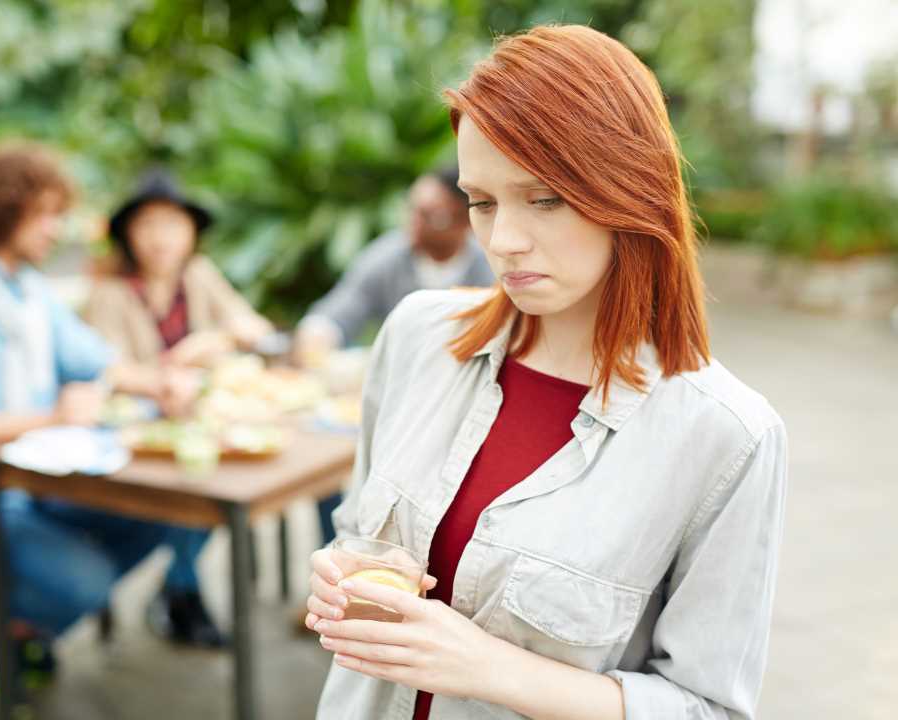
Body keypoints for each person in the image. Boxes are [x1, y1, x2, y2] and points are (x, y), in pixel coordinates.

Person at [305, 25, 787, 720]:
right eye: (481, 202)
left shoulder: (727, 436)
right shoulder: (416, 336)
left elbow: (708, 708)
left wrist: (488, 668)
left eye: (544, 199)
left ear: (630, 190)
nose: (503, 241)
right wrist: (339, 569)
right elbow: (356, 528)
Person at [0, 144, 225, 688]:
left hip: (30, 481)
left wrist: (159, 383)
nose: (56, 229)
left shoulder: (27, 287)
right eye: (45, 214)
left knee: (168, 512)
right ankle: (17, 615)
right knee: (87, 582)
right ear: (3, 208)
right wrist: (50, 419)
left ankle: (24, 617)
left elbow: (95, 360)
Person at [295, 167, 495, 546]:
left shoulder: (489, 269)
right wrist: (318, 334)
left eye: (431, 215)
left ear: (464, 222)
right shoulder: (389, 256)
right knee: (329, 466)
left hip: (465, 413)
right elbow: (341, 307)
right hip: (389, 406)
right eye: (413, 210)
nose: (414, 223)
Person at [84, 170, 274, 369]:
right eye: (146, 224)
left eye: (172, 223)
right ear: (128, 235)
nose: (159, 238)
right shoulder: (109, 294)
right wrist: (180, 358)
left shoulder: (198, 273)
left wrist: (217, 339)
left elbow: (253, 326)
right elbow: (109, 368)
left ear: (191, 230)